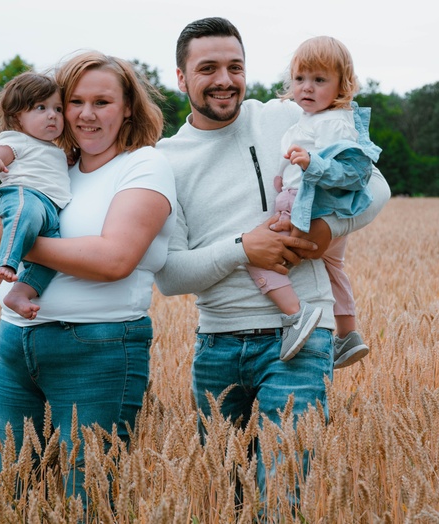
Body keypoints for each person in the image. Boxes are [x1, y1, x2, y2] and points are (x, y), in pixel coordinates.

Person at [154, 17, 390, 507]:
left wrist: (325, 232)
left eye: (235, 67)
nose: (225, 79)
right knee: (227, 498)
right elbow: (171, 275)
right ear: (181, 77)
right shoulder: (165, 160)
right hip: (217, 344)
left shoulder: (286, 117)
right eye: (209, 68)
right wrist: (244, 248)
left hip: (301, 338)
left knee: (279, 498)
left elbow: (376, 186)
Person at [0, 51, 176, 504]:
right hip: (16, 345)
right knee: (9, 497)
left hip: (97, 352)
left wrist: (18, 237)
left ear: (128, 107)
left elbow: (114, 259)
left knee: (86, 500)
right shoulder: (52, 168)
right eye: (75, 101)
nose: (86, 114)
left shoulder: (143, 166)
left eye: (102, 102)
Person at [245, 36, 381, 366]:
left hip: (308, 208)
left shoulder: (333, 122)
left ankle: (297, 315)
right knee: (334, 269)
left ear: (342, 86)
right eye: (300, 79)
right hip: (317, 207)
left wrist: (310, 165)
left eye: (319, 80)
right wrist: (283, 177)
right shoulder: (311, 119)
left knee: (257, 257)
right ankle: (347, 336)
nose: (307, 87)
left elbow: (352, 172)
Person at [0, 71, 71, 320]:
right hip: (21, 195)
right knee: (24, 213)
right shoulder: (16, 140)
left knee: (51, 261)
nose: (52, 115)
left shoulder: (55, 150)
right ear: (17, 117)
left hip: (49, 210)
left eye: (58, 109)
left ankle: (19, 293)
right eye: (41, 107)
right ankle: (7, 261)